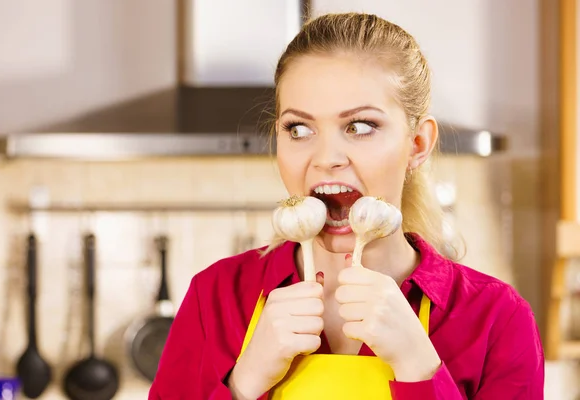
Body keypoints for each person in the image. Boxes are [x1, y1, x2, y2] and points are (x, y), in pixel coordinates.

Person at [148, 12, 544, 400]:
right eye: (298, 129)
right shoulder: (217, 296)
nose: (326, 157)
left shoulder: (496, 318)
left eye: (359, 126)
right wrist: (244, 383)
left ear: (417, 144)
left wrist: (419, 369)